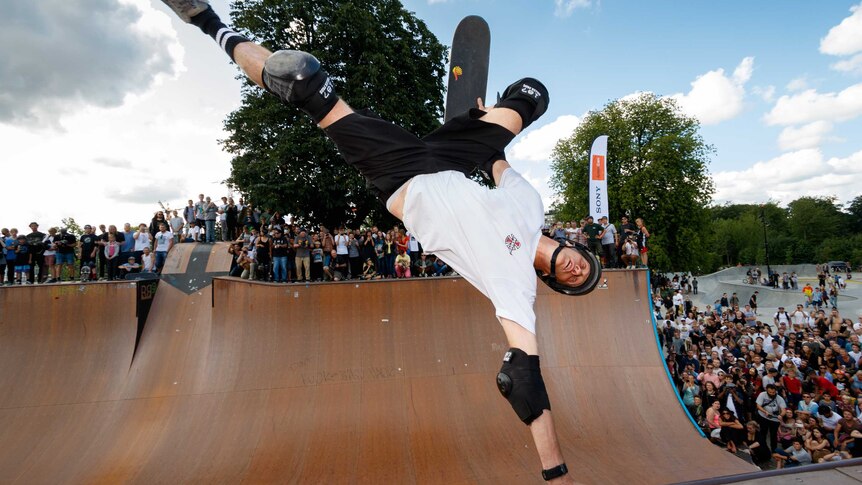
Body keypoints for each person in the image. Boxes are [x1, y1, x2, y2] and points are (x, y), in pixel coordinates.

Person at [161, 1, 601, 480]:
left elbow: (525, 382)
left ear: (552, 278)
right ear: (578, 249)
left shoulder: (517, 287)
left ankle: (205, 20)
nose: (579, 272)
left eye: (576, 282)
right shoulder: (532, 205)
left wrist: (556, 472)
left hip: (403, 177)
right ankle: (471, 115)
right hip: (456, 158)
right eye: (586, 267)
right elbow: (499, 166)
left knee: (303, 79)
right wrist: (486, 122)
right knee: (533, 93)